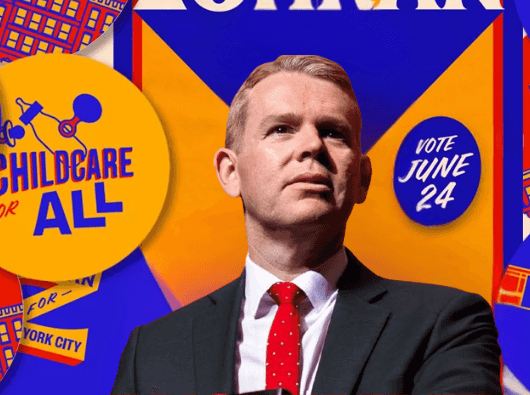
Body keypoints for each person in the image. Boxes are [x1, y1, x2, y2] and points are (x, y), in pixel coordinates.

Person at [111, 55, 503, 395]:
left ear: (361, 178)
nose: (312, 145)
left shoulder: (445, 326)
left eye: (333, 132)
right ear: (231, 171)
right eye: (281, 129)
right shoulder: (153, 350)